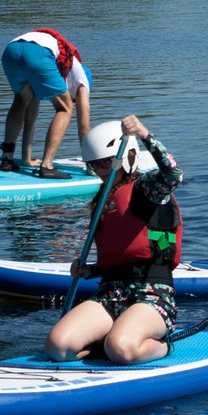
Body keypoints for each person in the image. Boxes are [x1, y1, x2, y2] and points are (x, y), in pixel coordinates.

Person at [45, 115, 183, 365]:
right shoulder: (105, 198)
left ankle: (162, 346)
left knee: (122, 348)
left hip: (152, 295)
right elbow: (119, 256)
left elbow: (173, 174)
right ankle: (109, 342)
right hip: (110, 293)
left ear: (128, 157)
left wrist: (144, 135)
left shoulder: (148, 188)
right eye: (95, 165)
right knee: (59, 347)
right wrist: (89, 271)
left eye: (107, 164)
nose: (101, 171)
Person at [0, 28, 93, 179]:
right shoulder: (83, 82)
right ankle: (47, 166)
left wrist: (26, 160)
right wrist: (91, 165)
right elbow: (84, 128)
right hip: (39, 52)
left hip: (11, 49)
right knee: (65, 108)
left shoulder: (60, 69)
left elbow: (30, 120)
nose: (76, 101)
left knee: (21, 100)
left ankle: (7, 159)